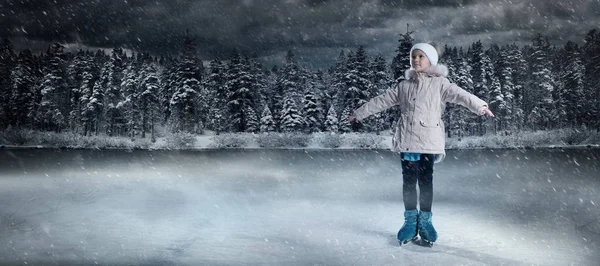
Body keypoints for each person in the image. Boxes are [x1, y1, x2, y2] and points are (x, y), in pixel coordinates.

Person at [348, 43, 494, 246]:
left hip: (429, 142)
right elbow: (380, 101)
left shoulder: (440, 84)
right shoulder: (403, 86)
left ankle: (425, 223)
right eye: (414, 56)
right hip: (408, 141)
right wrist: (359, 113)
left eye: (421, 56)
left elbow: (461, 95)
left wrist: (480, 106)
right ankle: (409, 223)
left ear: (430, 61)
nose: (416, 60)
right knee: (408, 182)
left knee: (425, 182)